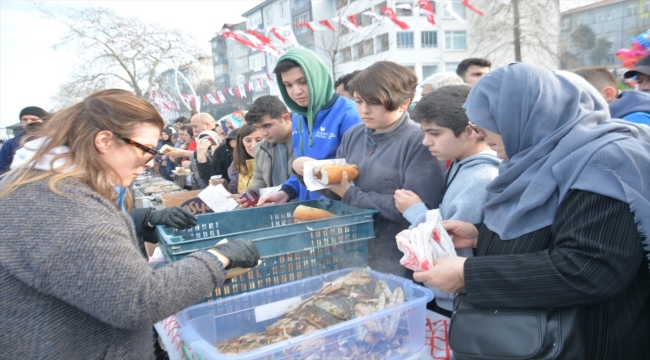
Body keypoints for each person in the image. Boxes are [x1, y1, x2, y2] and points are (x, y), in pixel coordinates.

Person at [0, 89, 260, 359]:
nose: (149, 163)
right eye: (146, 150)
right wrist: (218, 258)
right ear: (104, 140)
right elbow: (137, 301)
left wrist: (145, 229)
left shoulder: (46, 185)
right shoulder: (60, 204)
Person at [413, 64, 650, 359]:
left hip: (592, 339)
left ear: (527, 114)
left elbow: (591, 267)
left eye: (488, 119)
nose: (481, 132)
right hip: (541, 335)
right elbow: (551, 229)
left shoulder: (604, 160)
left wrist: (468, 275)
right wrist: (480, 237)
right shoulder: (539, 157)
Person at [326, 61, 445, 278]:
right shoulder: (353, 135)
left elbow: (416, 209)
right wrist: (308, 173)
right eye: (359, 101)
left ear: (403, 103)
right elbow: (335, 187)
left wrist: (351, 194)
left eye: (374, 103)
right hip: (357, 250)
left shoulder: (419, 140)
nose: (364, 110)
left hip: (401, 259)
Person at [395, 85, 500, 315]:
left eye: (435, 133)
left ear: (470, 131)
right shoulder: (460, 163)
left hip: (460, 304)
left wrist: (414, 211)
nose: (426, 142)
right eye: (424, 133)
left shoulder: (480, 178)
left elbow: (446, 242)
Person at [258, 48, 362, 205]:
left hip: (342, 211)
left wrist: (315, 169)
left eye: (303, 82)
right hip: (310, 210)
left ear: (318, 78)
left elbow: (357, 172)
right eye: (288, 85)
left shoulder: (351, 115)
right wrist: (286, 191)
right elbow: (304, 170)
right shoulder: (299, 116)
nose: (296, 91)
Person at [243, 95, 294, 199]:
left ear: (286, 119)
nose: (263, 133)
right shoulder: (260, 148)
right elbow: (260, 181)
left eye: (267, 126)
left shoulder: (306, 141)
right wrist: (250, 193)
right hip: (275, 208)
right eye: (258, 128)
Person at [574, 66, 650, 126]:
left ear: (608, 94)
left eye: (582, 99)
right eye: (639, 82)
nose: (643, 87)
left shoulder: (633, 121)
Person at [0, 106, 49, 174]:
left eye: (33, 119)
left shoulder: (54, 140)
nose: (29, 122)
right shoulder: (10, 144)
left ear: (44, 121)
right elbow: (2, 168)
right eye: (25, 119)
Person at [224, 125, 263, 194]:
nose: (254, 145)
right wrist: (224, 185)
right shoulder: (235, 165)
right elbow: (235, 192)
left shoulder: (273, 160)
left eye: (259, 140)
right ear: (241, 142)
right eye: (248, 141)